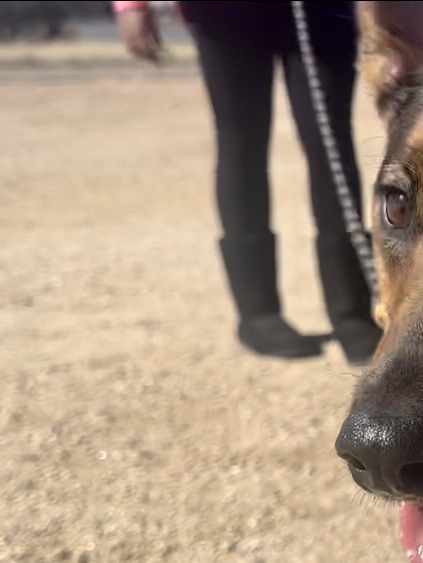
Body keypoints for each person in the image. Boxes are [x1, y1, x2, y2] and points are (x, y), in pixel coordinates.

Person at [113, 1, 382, 365]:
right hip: (224, 13)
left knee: (329, 139)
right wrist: (131, 6)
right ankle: (259, 314)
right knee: (242, 141)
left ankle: (352, 313)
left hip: (318, 10)